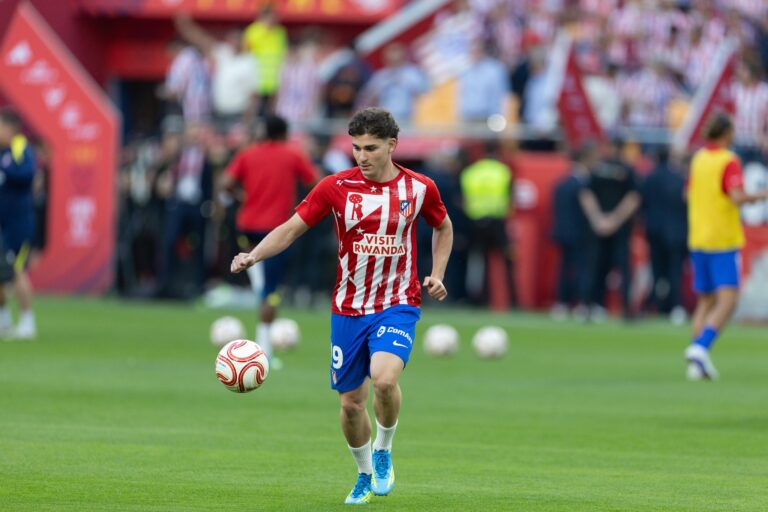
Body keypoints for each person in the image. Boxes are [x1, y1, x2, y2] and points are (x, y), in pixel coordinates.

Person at [230, 108, 453, 504]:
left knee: (384, 379)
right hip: (349, 307)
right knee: (351, 405)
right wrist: (254, 256)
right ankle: (364, 473)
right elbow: (291, 228)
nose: (362, 156)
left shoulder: (420, 188)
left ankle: (383, 449)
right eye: (355, 148)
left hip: (397, 302)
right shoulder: (335, 187)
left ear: (392, 146)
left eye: (370, 148)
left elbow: (443, 225)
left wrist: (437, 272)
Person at [221, 115, 319, 362]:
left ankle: (258, 295)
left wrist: (243, 197)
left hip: (246, 228)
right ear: (285, 134)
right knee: (270, 291)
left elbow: (225, 183)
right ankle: (264, 350)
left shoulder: (248, 153)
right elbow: (316, 183)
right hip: (276, 232)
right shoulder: (292, 154)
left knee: (261, 283)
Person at [684, 113, 768, 381]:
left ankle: (696, 364)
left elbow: (688, 194)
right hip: (722, 238)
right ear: (727, 133)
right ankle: (700, 347)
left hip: (699, 236)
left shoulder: (699, 159)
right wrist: (762, 194)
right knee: (728, 299)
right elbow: (737, 197)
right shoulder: (728, 161)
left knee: (706, 300)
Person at [0, 108, 37, 340]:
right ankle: (3, 319)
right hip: (2, 223)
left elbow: (27, 174)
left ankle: (27, 321)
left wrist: (5, 169)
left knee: (16, 269)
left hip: (18, 223)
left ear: (11, 128)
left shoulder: (20, 148)